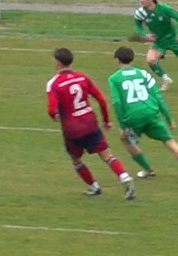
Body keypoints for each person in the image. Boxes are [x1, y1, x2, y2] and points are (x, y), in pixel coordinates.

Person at [46, 47, 135, 200]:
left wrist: (55, 116)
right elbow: (101, 99)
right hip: (90, 123)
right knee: (107, 154)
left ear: (58, 62)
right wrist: (106, 120)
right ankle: (124, 177)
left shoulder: (53, 83)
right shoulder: (82, 77)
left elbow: (51, 109)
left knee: (76, 160)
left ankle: (94, 186)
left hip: (72, 129)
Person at [108, 46, 178, 184]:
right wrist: (169, 118)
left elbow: (117, 102)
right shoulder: (143, 74)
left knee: (125, 139)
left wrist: (123, 124)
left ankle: (148, 169)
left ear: (117, 59)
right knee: (170, 142)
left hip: (133, 117)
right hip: (151, 113)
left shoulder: (114, 78)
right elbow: (157, 96)